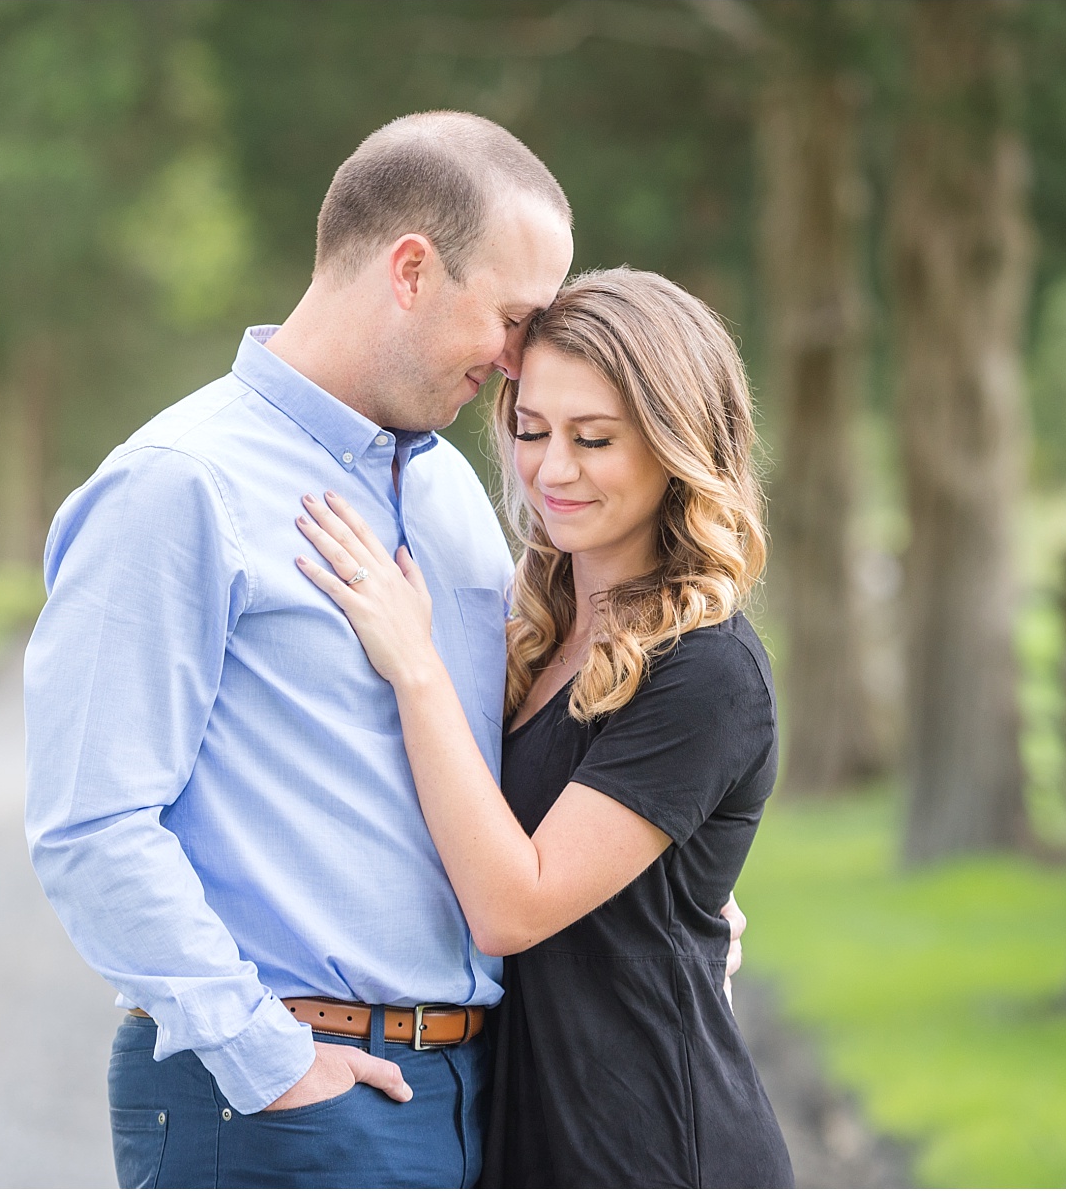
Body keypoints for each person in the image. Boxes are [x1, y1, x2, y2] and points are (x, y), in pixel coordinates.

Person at [24, 114, 742, 1188]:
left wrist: (669, 888)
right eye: (510, 317)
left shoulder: (451, 489)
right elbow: (90, 824)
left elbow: (502, 747)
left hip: (474, 1098)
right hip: (288, 1103)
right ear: (411, 269)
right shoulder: (180, 485)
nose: (516, 364)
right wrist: (268, 1062)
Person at [293, 267, 794, 1187]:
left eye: (594, 438)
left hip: (648, 1145)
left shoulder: (707, 669)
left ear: (677, 445)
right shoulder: (535, 633)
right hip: (523, 1129)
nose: (552, 469)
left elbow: (512, 905)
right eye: (531, 430)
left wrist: (415, 666)